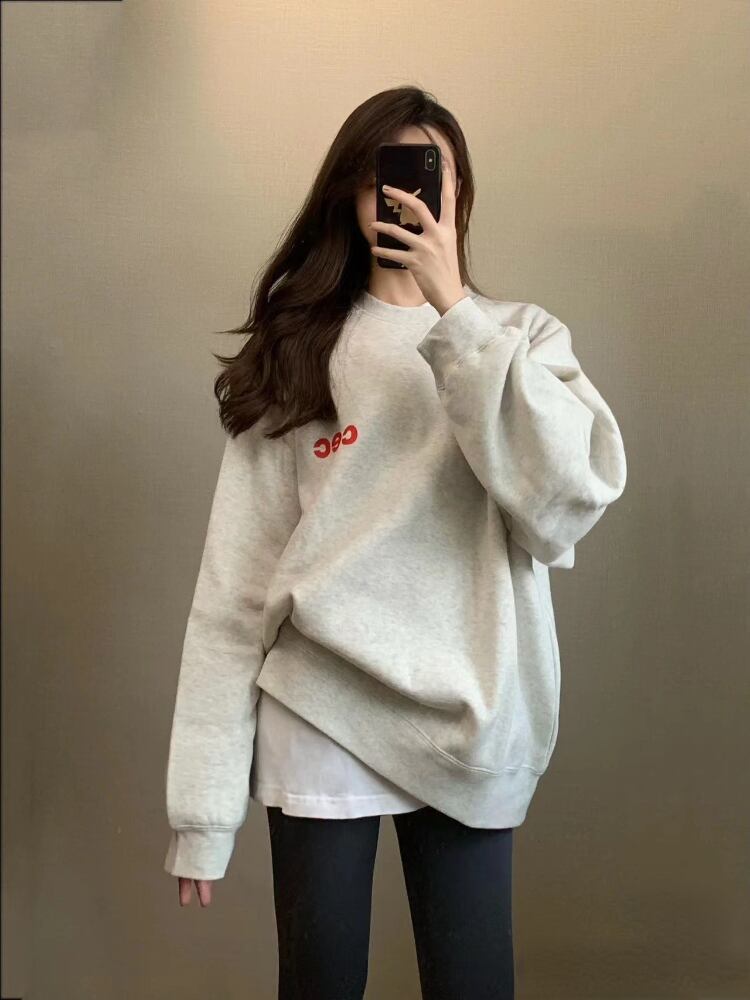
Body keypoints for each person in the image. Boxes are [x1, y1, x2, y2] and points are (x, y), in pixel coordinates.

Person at [163, 85, 628, 1000]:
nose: (408, 196)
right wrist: (201, 811)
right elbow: (234, 594)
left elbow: (565, 504)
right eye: (388, 176)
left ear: (460, 195)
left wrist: (456, 314)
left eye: (430, 175)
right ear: (350, 193)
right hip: (319, 709)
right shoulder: (302, 350)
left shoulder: (520, 339)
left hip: (468, 721)